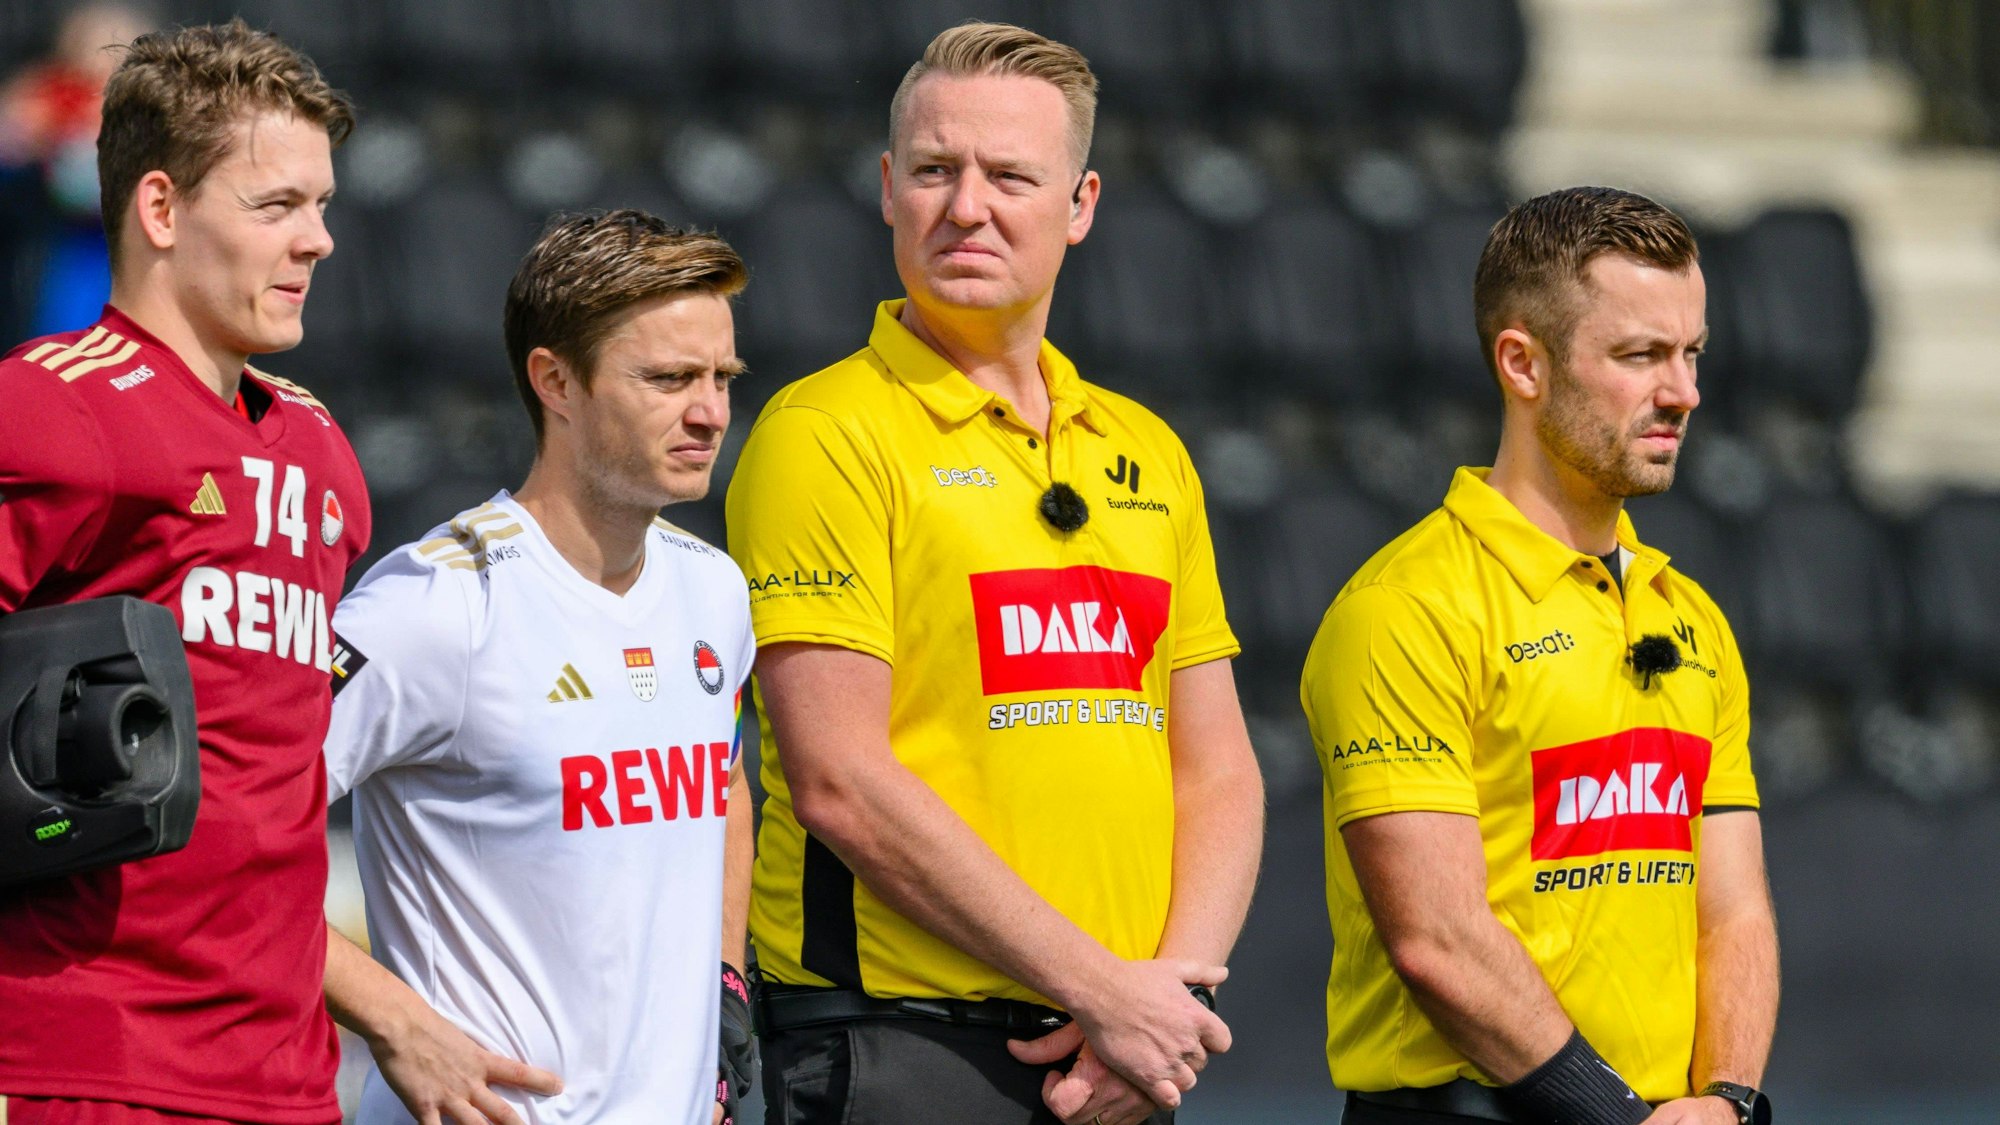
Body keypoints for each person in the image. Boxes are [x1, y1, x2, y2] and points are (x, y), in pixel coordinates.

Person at [726, 21, 1264, 1125]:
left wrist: (1164, 1005)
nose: (965, 207)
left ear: (1080, 204)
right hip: (894, 1055)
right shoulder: (822, 432)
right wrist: (1104, 988)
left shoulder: (1147, 450)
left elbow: (1215, 772)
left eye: (1010, 176)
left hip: (1118, 1062)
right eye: (933, 170)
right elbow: (840, 782)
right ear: (886, 188)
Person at [1301, 187, 1779, 1125]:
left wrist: (1726, 1101)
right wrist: (1618, 1118)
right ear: (1522, 362)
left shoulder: (1693, 618)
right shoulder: (1403, 608)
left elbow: (1734, 913)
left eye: (1691, 354)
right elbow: (1437, 940)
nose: (1682, 392)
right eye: (1640, 356)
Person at [0, 20, 366, 1125]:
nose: (318, 242)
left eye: (322, 205)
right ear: (160, 209)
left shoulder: (322, 450)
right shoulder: (50, 408)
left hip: (291, 1077)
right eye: (275, 207)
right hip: (93, 1061)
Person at [320, 210, 757, 1125]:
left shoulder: (714, 590)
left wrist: (722, 991)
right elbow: (224, 837)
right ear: (555, 381)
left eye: (722, 377)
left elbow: (722, 784)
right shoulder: (437, 604)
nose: (711, 409)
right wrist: (397, 1023)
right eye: (670, 378)